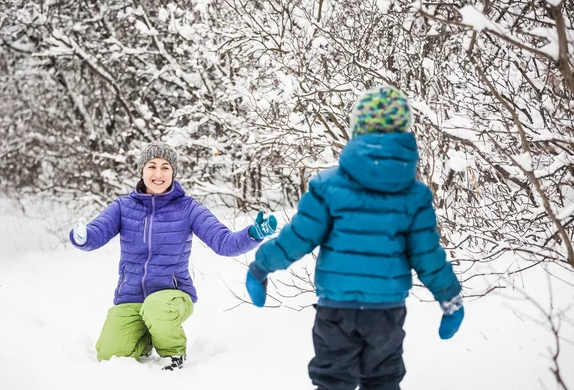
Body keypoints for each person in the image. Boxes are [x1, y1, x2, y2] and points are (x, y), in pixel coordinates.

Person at [245, 86, 464, 389]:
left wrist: (261, 266)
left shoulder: (327, 186)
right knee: (383, 380)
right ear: (404, 133)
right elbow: (428, 255)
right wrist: (449, 297)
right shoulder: (414, 196)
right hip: (386, 311)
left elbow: (297, 238)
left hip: (337, 308)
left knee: (333, 380)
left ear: (357, 130)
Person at [70, 141, 277, 370]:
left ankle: (173, 354)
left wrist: (253, 234)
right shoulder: (123, 207)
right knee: (108, 355)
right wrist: (82, 237)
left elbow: (223, 242)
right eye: (152, 166)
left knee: (155, 306)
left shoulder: (188, 208)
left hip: (173, 297)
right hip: (130, 299)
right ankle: (148, 336)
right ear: (142, 170)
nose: (158, 173)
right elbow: (97, 233)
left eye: (165, 167)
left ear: (173, 173)